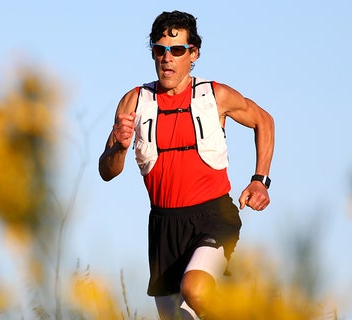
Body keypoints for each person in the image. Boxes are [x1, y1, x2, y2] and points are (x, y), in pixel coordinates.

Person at [98, 10, 274, 320]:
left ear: (193, 54)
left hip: (213, 216)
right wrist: (121, 148)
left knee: (195, 288)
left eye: (177, 50)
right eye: (160, 49)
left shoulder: (214, 95)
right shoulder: (134, 102)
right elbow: (106, 171)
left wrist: (260, 179)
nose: (167, 58)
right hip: (163, 227)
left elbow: (264, 120)